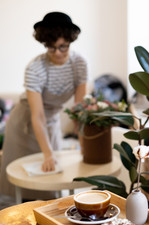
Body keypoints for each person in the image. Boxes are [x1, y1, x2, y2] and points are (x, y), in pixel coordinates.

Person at [0, 12, 88, 200]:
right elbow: (37, 115)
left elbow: (79, 111)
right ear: (44, 43)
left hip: (51, 121)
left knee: (52, 183)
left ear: (70, 41)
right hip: (25, 123)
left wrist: (84, 147)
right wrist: (47, 154)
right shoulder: (35, 68)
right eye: (51, 47)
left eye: (62, 47)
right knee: (21, 183)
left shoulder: (79, 64)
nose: (57, 52)